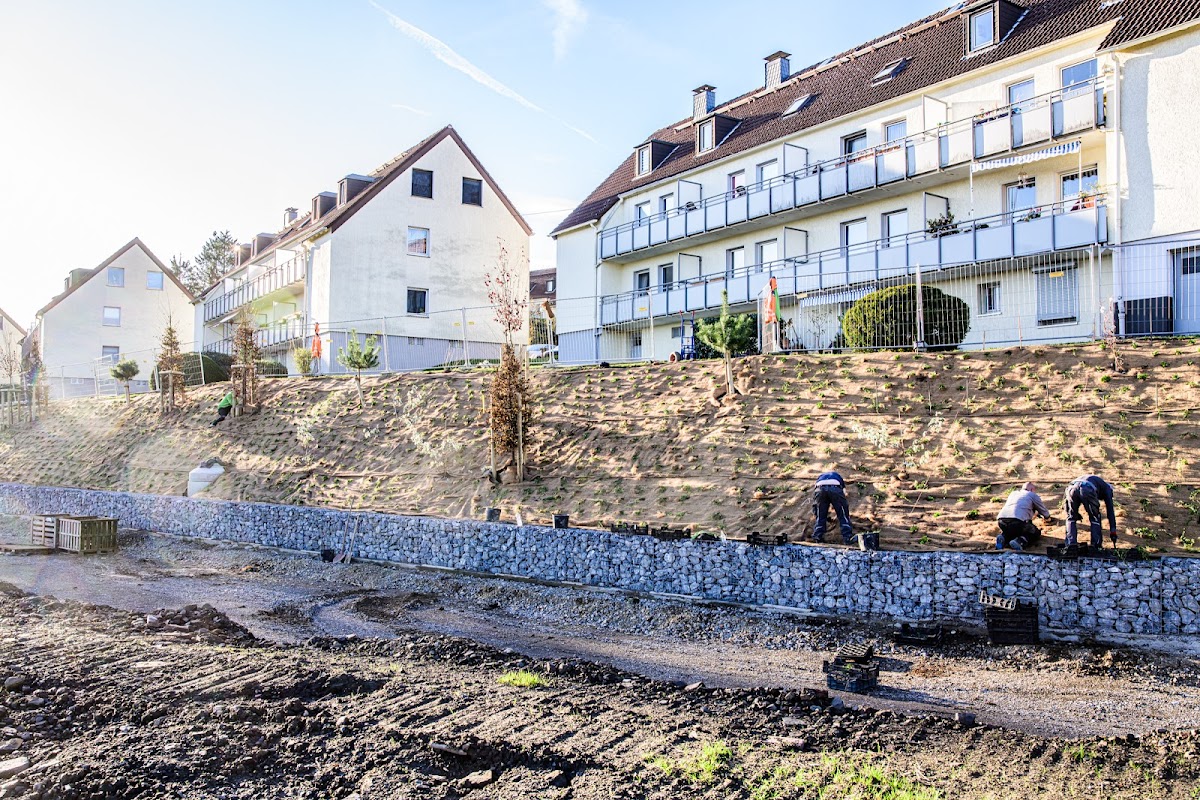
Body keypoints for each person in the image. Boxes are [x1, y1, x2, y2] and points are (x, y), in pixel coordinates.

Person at [1064, 474, 1118, 549]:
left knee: (1071, 518)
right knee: (1095, 517)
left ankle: (1071, 544)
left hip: (1071, 488)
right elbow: (1110, 511)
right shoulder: (1107, 489)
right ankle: (1096, 545)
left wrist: (1074, 513)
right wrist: (1113, 531)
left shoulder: (1098, 483)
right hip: (1087, 488)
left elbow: (1067, 506)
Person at [995, 482, 1051, 551]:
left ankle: (1003, 538)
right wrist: (1047, 518)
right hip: (1017, 521)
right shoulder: (1032, 495)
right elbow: (1043, 511)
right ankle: (1020, 541)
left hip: (1001, 521)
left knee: (1011, 531)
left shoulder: (1013, 493)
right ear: (1032, 489)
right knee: (1034, 532)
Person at [811, 471, 854, 544]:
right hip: (835, 487)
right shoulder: (838, 477)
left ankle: (817, 536)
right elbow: (844, 493)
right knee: (843, 514)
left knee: (820, 515)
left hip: (819, 488)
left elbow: (816, 502)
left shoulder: (820, 477)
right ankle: (847, 537)